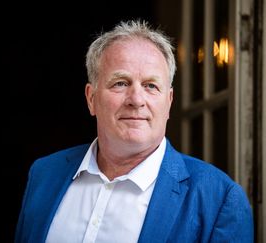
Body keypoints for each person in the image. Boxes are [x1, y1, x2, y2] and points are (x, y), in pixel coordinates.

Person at [14, 20, 253, 243]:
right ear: (91, 99)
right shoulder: (44, 174)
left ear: (169, 102)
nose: (136, 100)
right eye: (120, 83)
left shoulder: (220, 200)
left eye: (151, 86)